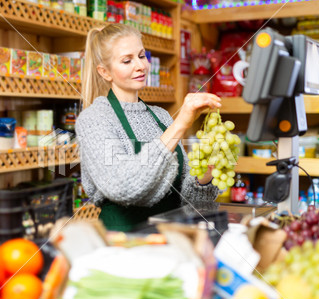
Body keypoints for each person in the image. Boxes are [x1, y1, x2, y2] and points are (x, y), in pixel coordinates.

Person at [75, 24, 222, 231]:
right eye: (127, 60)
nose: (141, 66)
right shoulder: (93, 120)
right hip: (123, 244)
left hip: (170, 238)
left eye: (142, 56)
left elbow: (189, 201)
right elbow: (122, 186)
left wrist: (204, 178)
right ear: (105, 72)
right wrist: (180, 124)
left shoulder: (161, 116)